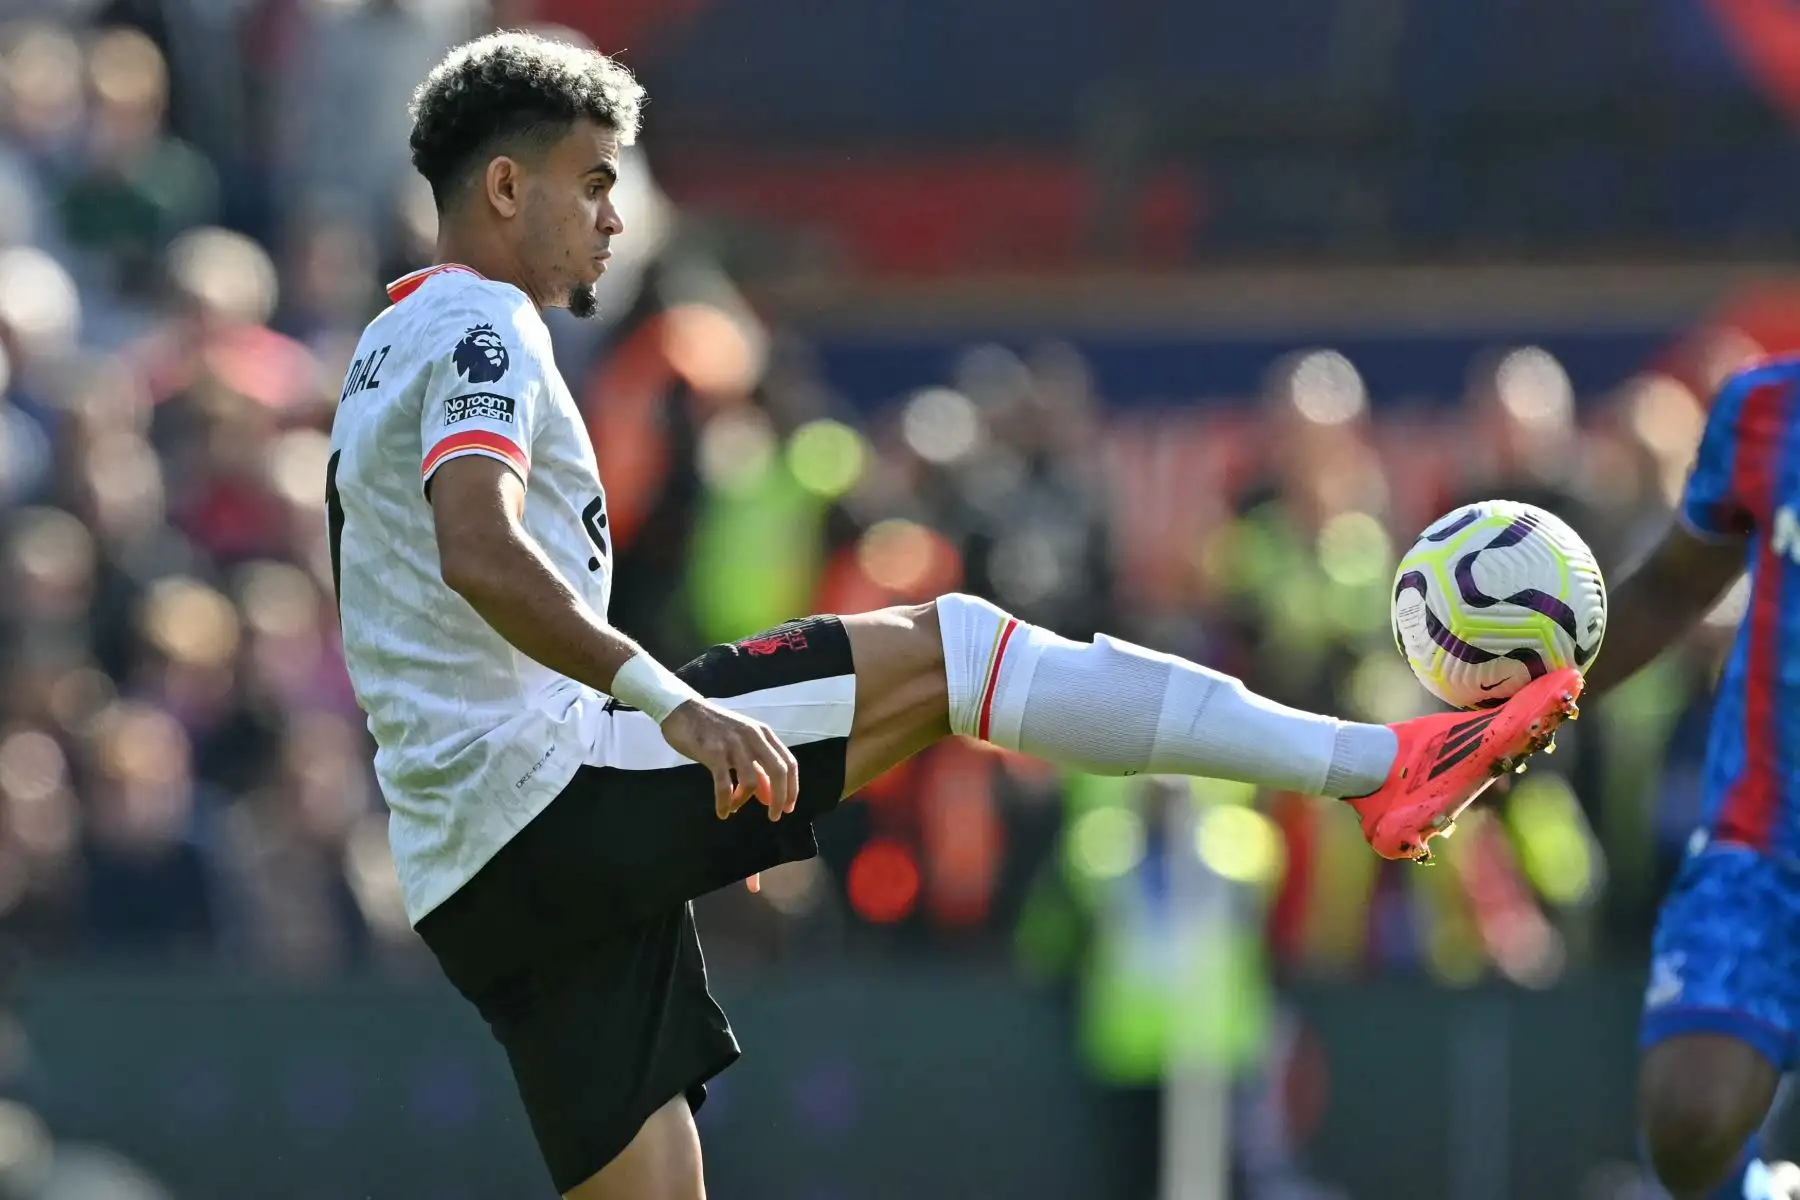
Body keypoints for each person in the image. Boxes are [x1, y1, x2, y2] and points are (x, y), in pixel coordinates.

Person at [324, 31, 1581, 1200]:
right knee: (956, 650)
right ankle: (1375, 764)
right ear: (501, 189)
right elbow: (480, 552)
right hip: (549, 792)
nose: (613, 219)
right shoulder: (482, 327)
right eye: (592, 182)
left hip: (471, 870)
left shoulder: (391, 342)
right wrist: (676, 703)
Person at [1582, 356, 1800, 1200]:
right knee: (1687, 1122)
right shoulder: (1765, 412)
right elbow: (1674, 586)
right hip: (1766, 838)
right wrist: (1521, 721)